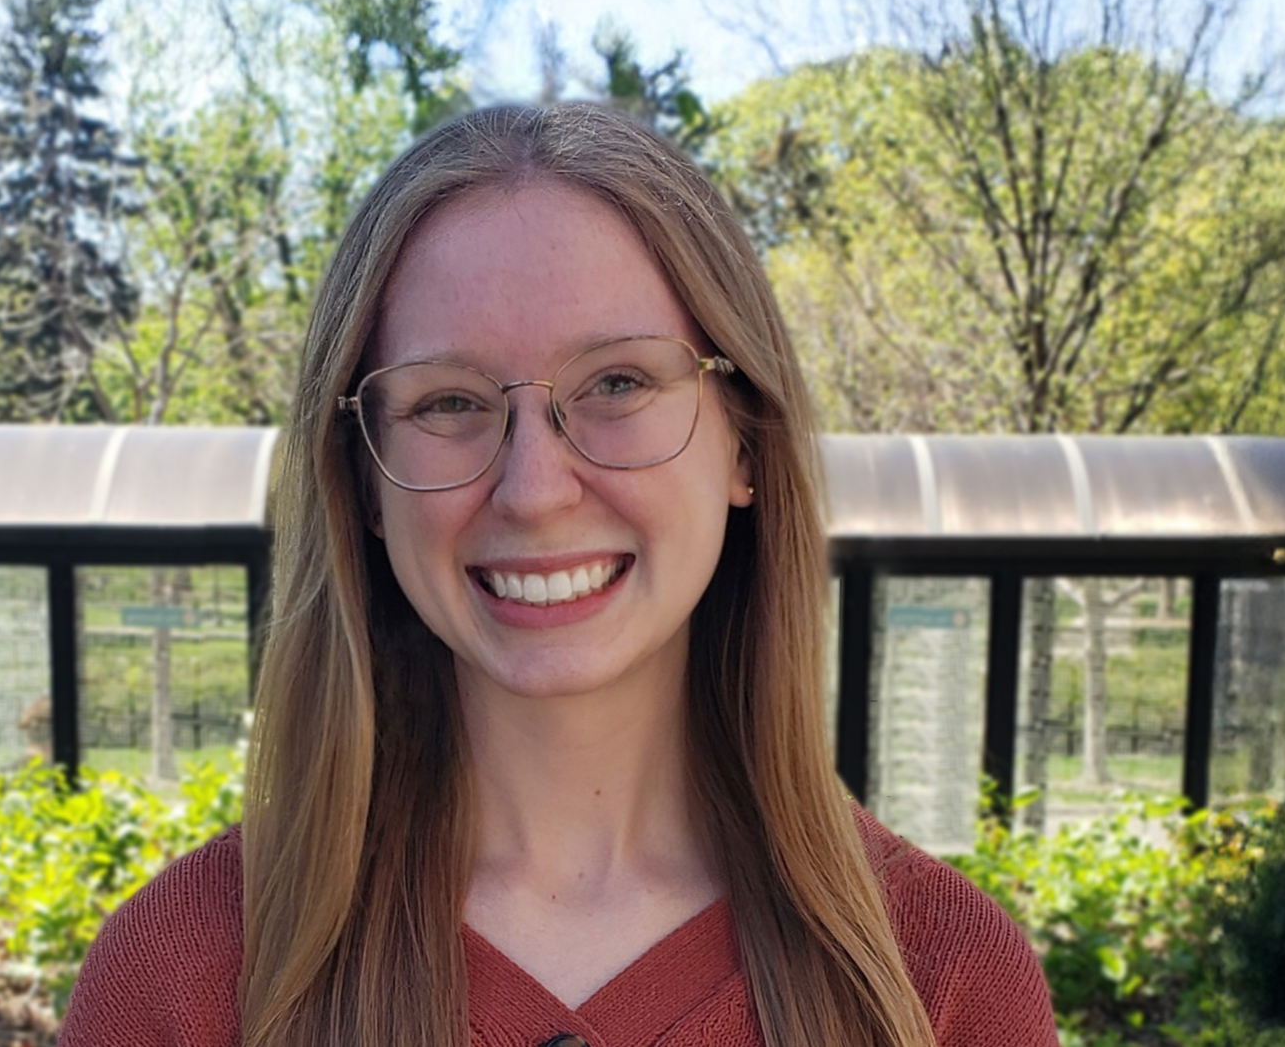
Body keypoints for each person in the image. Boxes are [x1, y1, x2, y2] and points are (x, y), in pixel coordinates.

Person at [59, 102, 1057, 1047]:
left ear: (745, 440)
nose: (534, 489)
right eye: (447, 401)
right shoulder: (182, 974)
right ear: (361, 476)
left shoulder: (945, 979)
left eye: (618, 381)